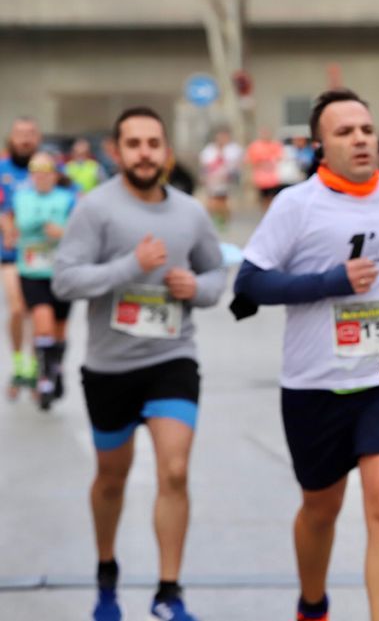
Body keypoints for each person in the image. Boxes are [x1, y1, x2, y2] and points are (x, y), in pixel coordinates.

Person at [232, 89, 379, 621]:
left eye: (365, 129)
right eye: (344, 132)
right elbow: (249, 284)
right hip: (314, 383)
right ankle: (312, 605)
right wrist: (328, 281)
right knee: (321, 509)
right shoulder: (297, 205)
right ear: (319, 147)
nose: (360, 139)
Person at [53, 107, 226, 621]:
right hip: (109, 367)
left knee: (174, 470)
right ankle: (107, 570)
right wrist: (131, 266)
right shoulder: (95, 209)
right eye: (134, 143)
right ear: (116, 151)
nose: (145, 152)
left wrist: (196, 288)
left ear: (166, 151)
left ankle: (168, 591)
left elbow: (217, 273)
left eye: (154, 143)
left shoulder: (190, 213)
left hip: (172, 357)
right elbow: (65, 281)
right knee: (112, 476)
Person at [11, 150, 75, 409]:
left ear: (54, 174)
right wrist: (46, 224)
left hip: (60, 271)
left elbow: (76, 229)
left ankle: (57, 368)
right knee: (43, 323)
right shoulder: (22, 197)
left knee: (59, 329)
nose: (42, 177)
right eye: (37, 172)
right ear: (31, 175)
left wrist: (61, 232)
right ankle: (45, 377)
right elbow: (24, 223)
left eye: (47, 172)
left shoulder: (67, 198)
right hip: (32, 271)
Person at [0, 117, 41, 396]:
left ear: (37, 138)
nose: (24, 139)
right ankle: (18, 364)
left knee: (38, 313)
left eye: (30, 134)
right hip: (12, 253)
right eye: (19, 134)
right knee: (17, 309)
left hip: (43, 256)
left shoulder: (48, 168)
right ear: (11, 138)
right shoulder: (2, 170)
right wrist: (8, 227)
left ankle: (36, 367)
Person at [198, 127, 242, 229]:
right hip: (212, 180)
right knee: (212, 201)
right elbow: (205, 164)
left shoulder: (232, 149)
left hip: (226, 181)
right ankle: (210, 222)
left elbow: (237, 163)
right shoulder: (209, 150)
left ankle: (223, 222)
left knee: (223, 202)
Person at [246, 127, 285, 210]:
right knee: (264, 199)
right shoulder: (255, 146)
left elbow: (280, 158)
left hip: (273, 179)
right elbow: (250, 161)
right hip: (261, 179)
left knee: (274, 199)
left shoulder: (275, 145)